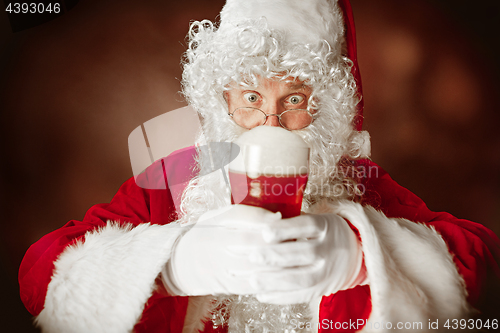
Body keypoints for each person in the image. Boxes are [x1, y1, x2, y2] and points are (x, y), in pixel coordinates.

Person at [19, 0, 500, 332]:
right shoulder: (175, 179)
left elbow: (481, 260)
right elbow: (43, 274)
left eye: (293, 97)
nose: (271, 119)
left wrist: (360, 254)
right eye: (251, 96)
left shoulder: (359, 185)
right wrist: (171, 265)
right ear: (220, 99)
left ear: (325, 106)